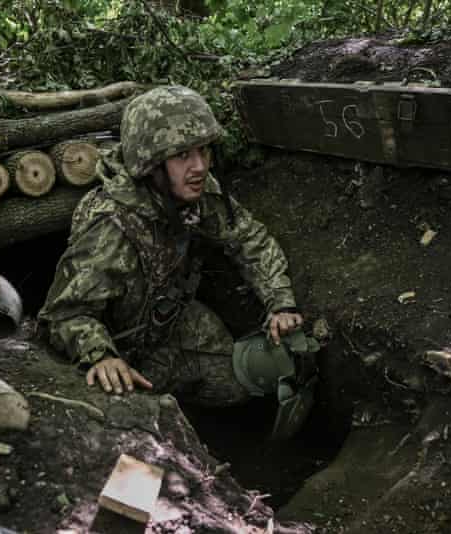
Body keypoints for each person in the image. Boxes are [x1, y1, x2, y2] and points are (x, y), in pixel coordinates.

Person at [38, 86, 315, 421]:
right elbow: (64, 314)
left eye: (203, 151)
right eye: (182, 155)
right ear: (152, 164)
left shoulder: (194, 190)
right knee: (130, 419)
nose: (199, 166)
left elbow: (249, 239)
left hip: (169, 322)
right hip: (117, 346)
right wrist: (100, 356)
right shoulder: (111, 225)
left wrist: (280, 303)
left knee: (243, 381)